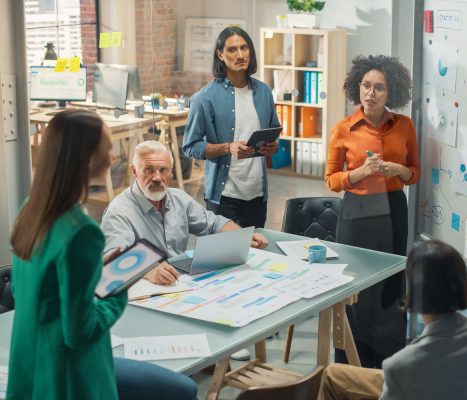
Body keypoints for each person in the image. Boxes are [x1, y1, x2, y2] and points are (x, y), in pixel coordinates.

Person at [7, 109, 197, 400]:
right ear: (85, 158)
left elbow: (37, 290)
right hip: (70, 374)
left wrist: (93, 273)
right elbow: (79, 332)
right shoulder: (82, 232)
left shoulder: (29, 210)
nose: (112, 158)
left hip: (29, 361)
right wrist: (117, 289)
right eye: (106, 149)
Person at [319, 240, 467, 400]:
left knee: (329, 376)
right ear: (462, 281)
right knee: (334, 374)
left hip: (416, 381)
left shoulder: (401, 366)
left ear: (414, 293)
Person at [325, 54, 420, 367]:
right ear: (357, 88)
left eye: (380, 87)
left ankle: (386, 363)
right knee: (354, 285)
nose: (372, 93)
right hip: (357, 210)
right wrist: (360, 174)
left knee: (391, 285)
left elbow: (414, 173)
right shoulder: (343, 129)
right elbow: (331, 181)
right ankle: (348, 362)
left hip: (394, 209)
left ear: (391, 92)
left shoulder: (404, 126)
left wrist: (398, 170)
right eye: (366, 86)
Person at [101, 140, 269, 285]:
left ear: (171, 170)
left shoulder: (178, 198)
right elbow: (113, 257)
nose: (157, 177)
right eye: (149, 170)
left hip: (180, 283)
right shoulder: (119, 211)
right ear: (134, 170)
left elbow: (214, 224)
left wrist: (244, 237)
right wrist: (148, 271)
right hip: (143, 290)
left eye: (163, 170)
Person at [182, 26, 279, 229]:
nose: (240, 55)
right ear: (220, 54)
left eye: (244, 48)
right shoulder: (204, 98)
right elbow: (191, 146)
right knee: (223, 259)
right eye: (233, 50)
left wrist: (273, 146)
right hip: (224, 197)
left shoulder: (263, 92)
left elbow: (273, 131)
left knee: (257, 254)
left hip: (257, 194)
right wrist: (228, 148)